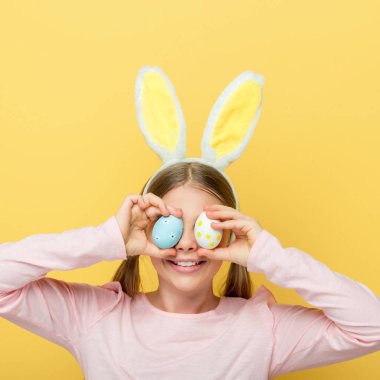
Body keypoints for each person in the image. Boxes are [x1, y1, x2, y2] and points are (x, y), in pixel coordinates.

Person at [1, 161, 380, 380]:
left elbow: (372, 326)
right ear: (144, 231)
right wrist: (107, 239)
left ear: (229, 234)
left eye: (205, 228)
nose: (185, 244)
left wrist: (269, 254)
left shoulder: (262, 330)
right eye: (171, 226)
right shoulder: (94, 318)